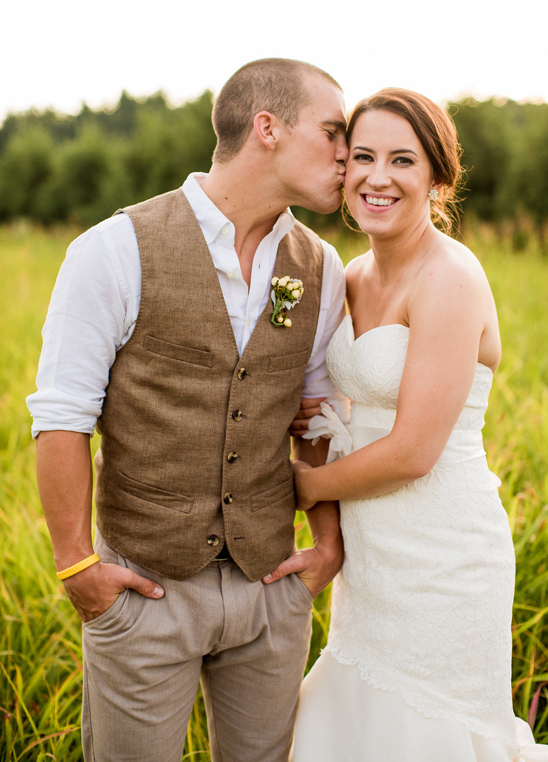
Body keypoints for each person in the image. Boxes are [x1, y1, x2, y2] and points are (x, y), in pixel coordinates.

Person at [26, 58, 351, 762]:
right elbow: (62, 417)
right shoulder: (114, 250)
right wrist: (76, 565)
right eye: (332, 132)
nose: (347, 153)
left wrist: (325, 544)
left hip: (271, 592)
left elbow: (318, 417)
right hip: (145, 591)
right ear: (267, 128)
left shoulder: (320, 264)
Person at [290, 88, 548, 761]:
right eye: (364, 157)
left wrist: (301, 486)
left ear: (436, 177)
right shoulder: (347, 276)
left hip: (443, 552)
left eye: (402, 160)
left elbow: (412, 450)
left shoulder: (451, 278)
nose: (378, 176)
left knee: (427, 728)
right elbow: (328, 401)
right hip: (372, 550)